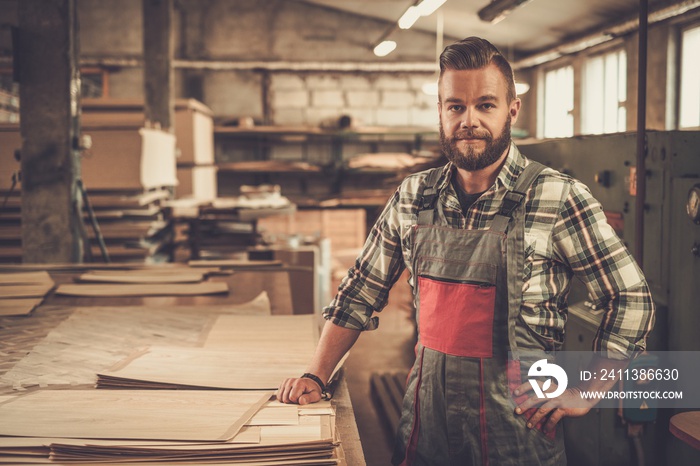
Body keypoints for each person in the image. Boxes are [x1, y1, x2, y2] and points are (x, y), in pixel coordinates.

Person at [276, 36, 655, 465]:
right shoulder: (413, 196)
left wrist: (587, 392)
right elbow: (360, 289)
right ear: (440, 111)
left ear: (512, 110)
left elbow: (630, 297)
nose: (469, 120)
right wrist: (316, 374)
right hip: (426, 427)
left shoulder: (557, 196)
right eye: (455, 106)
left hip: (519, 433)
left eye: (485, 105)